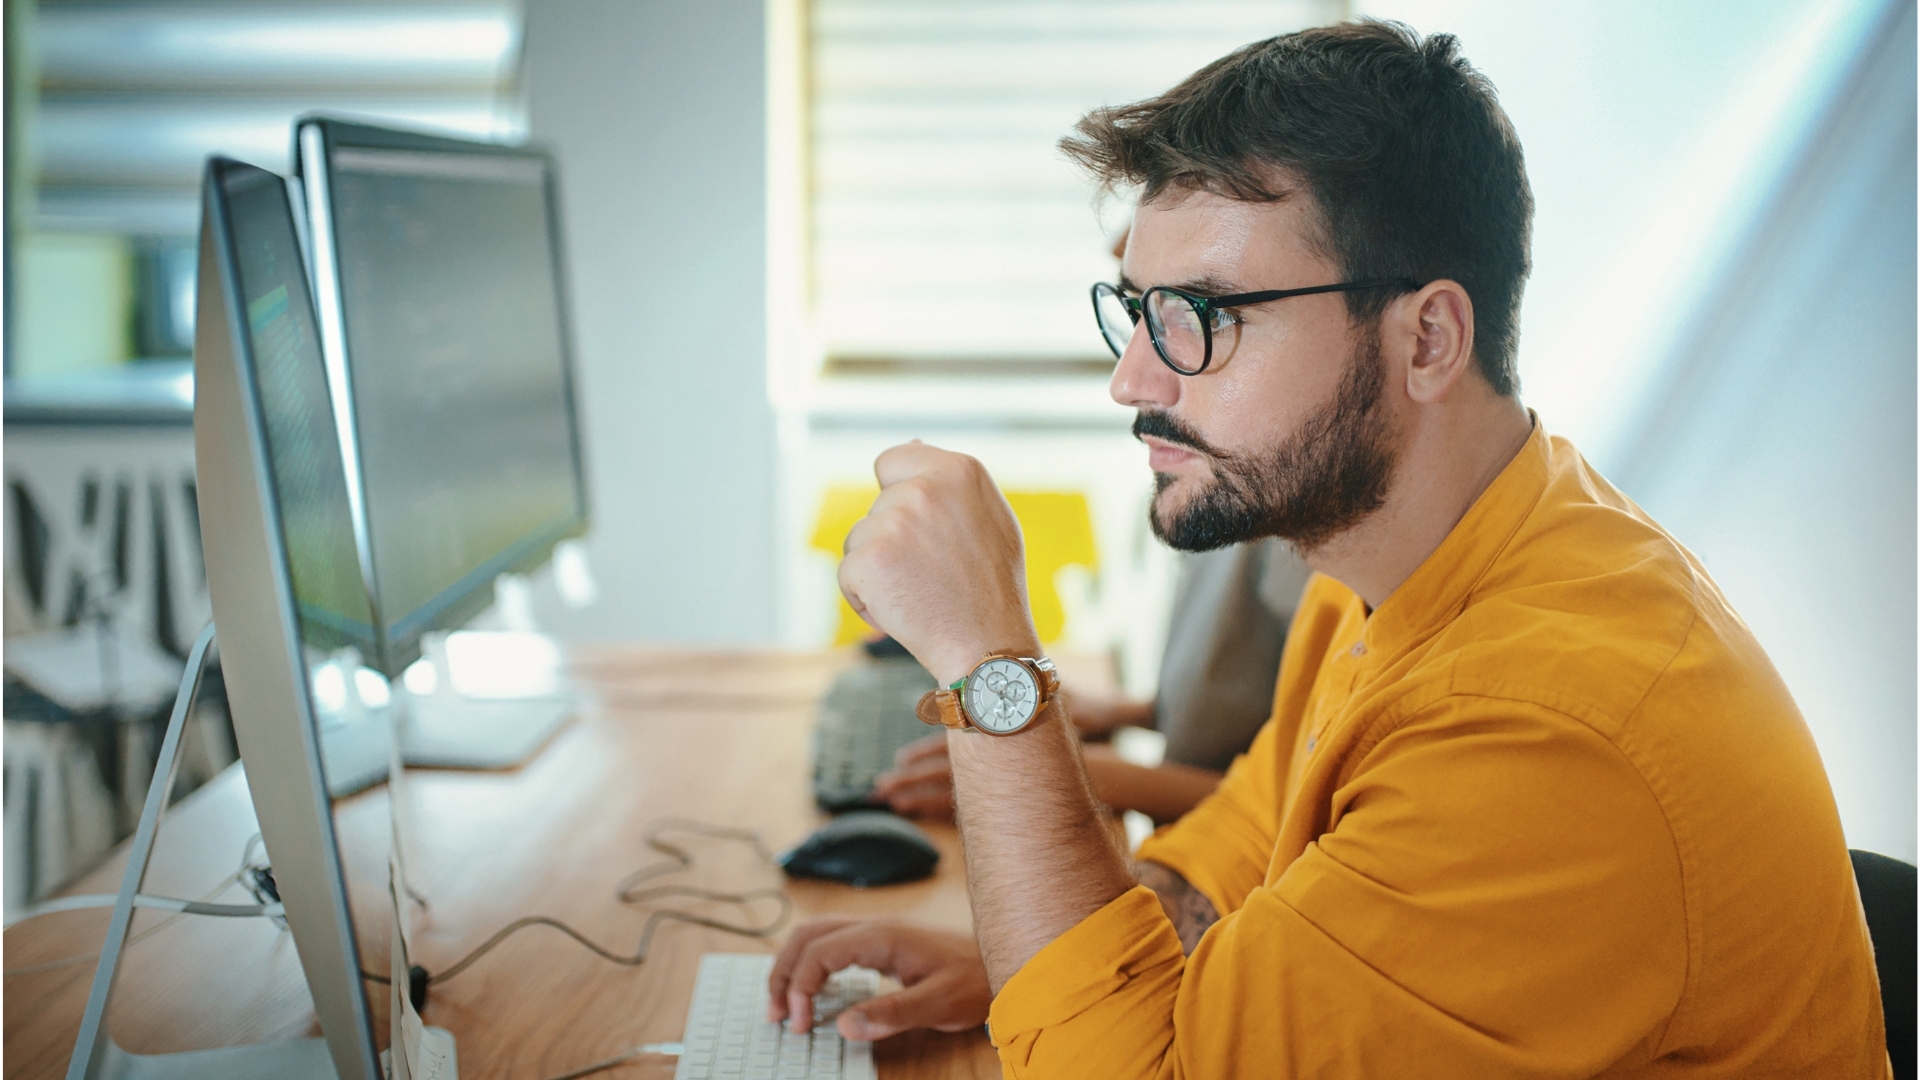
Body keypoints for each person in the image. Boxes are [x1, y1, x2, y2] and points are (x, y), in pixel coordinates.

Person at [769, 21, 1887, 1079]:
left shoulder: (1550, 730)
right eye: (1139, 311)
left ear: (1428, 337)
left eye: (1204, 316)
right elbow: (1236, 855)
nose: (1137, 381)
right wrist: (1027, 965)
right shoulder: (1399, 553)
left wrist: (990, 665)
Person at [873, 537, 1310, 824]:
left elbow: (1300, 808)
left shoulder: (1318, 563)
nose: (1127, 391)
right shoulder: (1225, 495)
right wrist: (1131, 712)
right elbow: (1261, 696)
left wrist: (1055, 775)